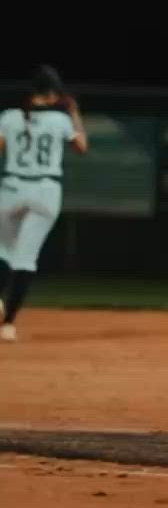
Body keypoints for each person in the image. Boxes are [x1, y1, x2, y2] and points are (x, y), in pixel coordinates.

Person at [0, 66, 88, 341]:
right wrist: (74, 113)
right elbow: (81, 147)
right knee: (25, 258)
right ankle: (8, 324)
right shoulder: (60, 119)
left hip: (11, 188)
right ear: (52, 93)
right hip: (46, 191)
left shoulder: (9, 116)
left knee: (3, 251)